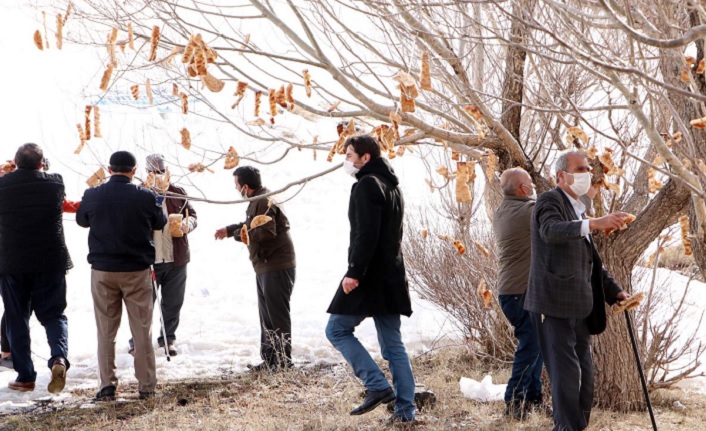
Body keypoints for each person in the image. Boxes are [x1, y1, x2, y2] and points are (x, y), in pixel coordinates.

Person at [524, 150, 630, 431]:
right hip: (553, 306)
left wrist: (615, 292)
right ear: (561, 175)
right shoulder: (550, 200)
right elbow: (550, 230)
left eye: (588, 169)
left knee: (584, 379)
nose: (587, 174)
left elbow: (592, 263)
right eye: (580, 169)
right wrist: (595, 223)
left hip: (581, 308)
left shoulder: (578, 208)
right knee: (567, 378)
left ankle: (574, 427)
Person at [325, 135, 416, 424]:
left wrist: (354, 272)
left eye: (350, 155)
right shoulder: (391, 185)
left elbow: (366, 234)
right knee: (393, 346)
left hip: (370, 277)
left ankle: (377, 386)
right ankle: (405, 413)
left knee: (336, 329)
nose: (347, 161)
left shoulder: (367, 185)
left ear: (365, 158)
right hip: (391, 275)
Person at [76, 151, 167, 401]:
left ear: (109, 168)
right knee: (142, 331)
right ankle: (147, 386)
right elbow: (160, 223)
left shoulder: (93, 194)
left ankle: (107, 386)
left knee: (105, 331)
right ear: (134, 170)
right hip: (136, 271)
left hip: (103, 270)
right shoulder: (146, 196)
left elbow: (82, 220)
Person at [0, 143, 72, 392]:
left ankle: (25, 376)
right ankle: (59, 358)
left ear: (16, 162)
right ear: (42, 163)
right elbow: (47, 179)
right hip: (51, 260)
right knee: (54, 314)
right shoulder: (56, 182)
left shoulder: (3, 185)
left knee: (17, 318)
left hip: (12, 262)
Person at [214, 166, 296, 372]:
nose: (235, 188)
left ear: (245, 186)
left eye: (236, 185)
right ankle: (270, 360)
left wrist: (238, 235)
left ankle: (283, 362)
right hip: (265, 265)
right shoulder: (258, 199)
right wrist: (231, 229)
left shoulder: (264, 200)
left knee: (276, 315)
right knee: (267, 315)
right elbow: (251, 224)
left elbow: (265, 232)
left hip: (276, 265)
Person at [128, 154, 197, 357]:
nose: (157, 176)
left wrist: (187, 225)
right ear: (146, 172)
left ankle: (168, 339)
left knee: (173, 302)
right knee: (143, 304)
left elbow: (192, 215)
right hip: (149, 260)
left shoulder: (177, 192)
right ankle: (137, 341)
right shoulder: (139, 193)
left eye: (160, 172)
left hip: (176, 257)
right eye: (153, 172)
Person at [492, 167, 544, 419]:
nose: (534, 186)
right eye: (531, 183)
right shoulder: (525, 211)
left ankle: (533, 398)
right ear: (523, 189)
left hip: (513, 292)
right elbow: (554, 209)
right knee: (530, 345)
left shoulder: (504, 209)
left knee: (536, 345)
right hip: (519, 293)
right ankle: (514, 401)